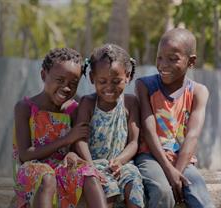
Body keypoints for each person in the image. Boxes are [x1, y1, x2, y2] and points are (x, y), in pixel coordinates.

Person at [13, 48, 107, 208]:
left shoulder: (74, 109)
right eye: (60, 80)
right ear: (44, 75)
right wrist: (67, 139)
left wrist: (73, 153)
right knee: (47, 177)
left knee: (90, 175)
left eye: (73, 83)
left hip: (62, 166)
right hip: (31, 169)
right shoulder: (25, 108)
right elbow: (25, 155)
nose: (66, 88)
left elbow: (76, 145)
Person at [134, 28, 214, 208]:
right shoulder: (145, 85)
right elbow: (148, 130)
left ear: (191, 61)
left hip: (182, 160)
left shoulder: (198, 92)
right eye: (160, 57)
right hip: (150, 156)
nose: (163, 64)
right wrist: (169, 171)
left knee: (199, 194)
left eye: (173, 58)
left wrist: (176, 172)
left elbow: (192, 135)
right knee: (162, 191)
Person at [74, 44, 144, 208]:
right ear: (92, 78)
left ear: (127, 76)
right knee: (108, 189)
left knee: (134, 183)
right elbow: (80, 140)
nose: (109, 87)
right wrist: (90, 166)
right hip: (94, 163)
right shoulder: (88, 103)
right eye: (102, 81)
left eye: (116, 81)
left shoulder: (130, 103)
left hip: (122, 163)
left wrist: (119, 161)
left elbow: (134, 141)